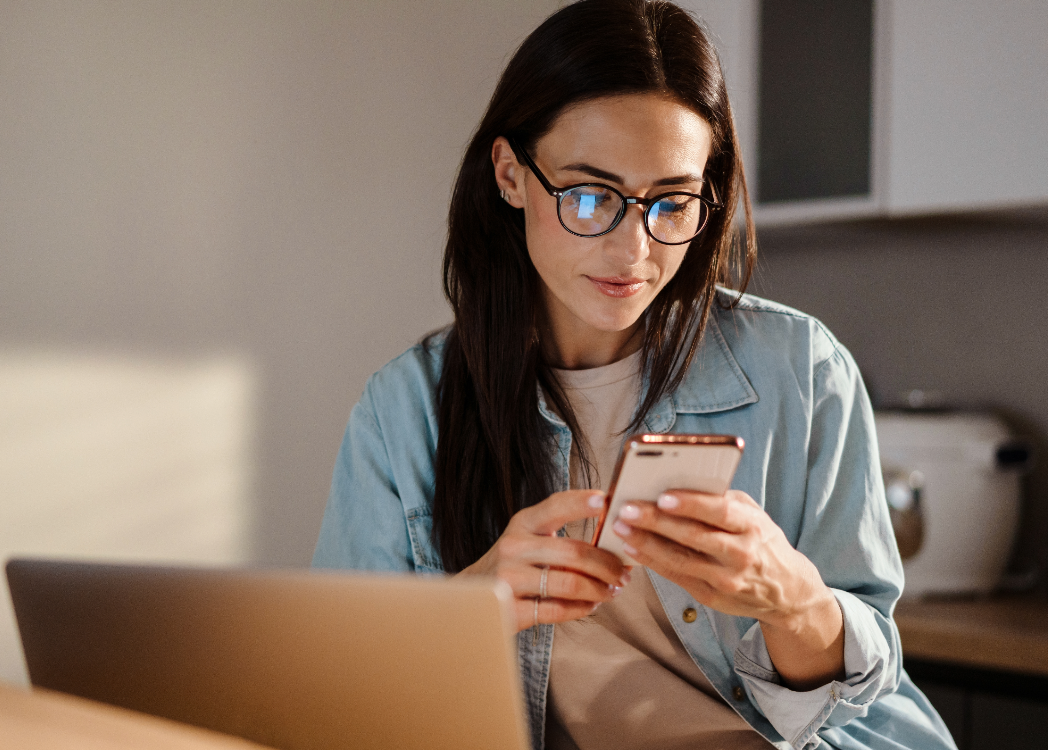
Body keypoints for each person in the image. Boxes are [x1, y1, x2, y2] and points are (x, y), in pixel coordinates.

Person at [313, 1, 956, 748]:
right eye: (590, 197)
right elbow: (339, 693)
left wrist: (792, 600)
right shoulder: (406, 411)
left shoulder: (804, 371)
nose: (635, 251)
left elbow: (858, 698)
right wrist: (470, 607)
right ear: (510, 175)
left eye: (671, 203)